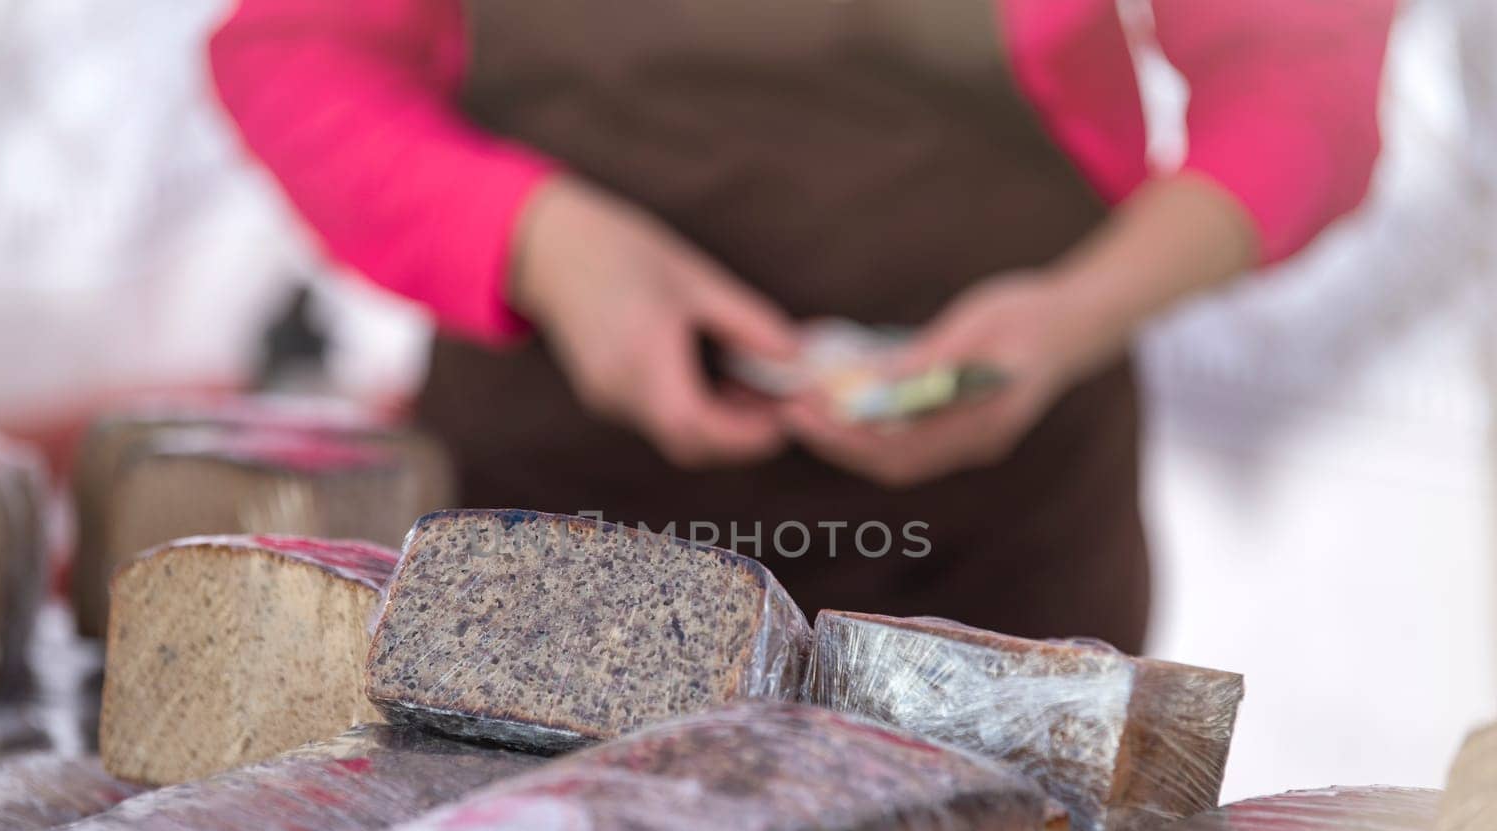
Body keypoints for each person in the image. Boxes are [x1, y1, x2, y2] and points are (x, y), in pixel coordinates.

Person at [208, 0, 1395, 652]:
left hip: (988, 551)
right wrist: (542, 243)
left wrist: (1079, 312)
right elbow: (297, 51)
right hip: (559, 513)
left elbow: (1301, 82)